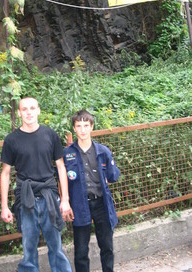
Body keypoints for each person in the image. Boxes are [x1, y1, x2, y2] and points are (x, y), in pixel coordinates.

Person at [0, 96, 73, 272]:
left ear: (39, 110)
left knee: (56, 246)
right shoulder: (11, 140)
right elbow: (5, 173)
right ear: (19, 113)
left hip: (49, 196)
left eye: (32, 108)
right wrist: (4, 206)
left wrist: (64, 200)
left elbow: (61, 167)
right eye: (24, 109)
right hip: (26, 199)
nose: (29, 112)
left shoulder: (50, 135)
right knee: (29, 248)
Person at [63, 110, 120, 272]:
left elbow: (113, 174)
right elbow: (62, 180)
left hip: (101, 203)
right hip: (80, 205)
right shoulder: (67, 154)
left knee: (107, 246)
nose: (82, 130)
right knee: (81, 250)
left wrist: (108, 176)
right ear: (74, 128)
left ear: (92, 127)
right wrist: (65, 201)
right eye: (79, 126)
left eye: (86, 125)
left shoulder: (103, 151)